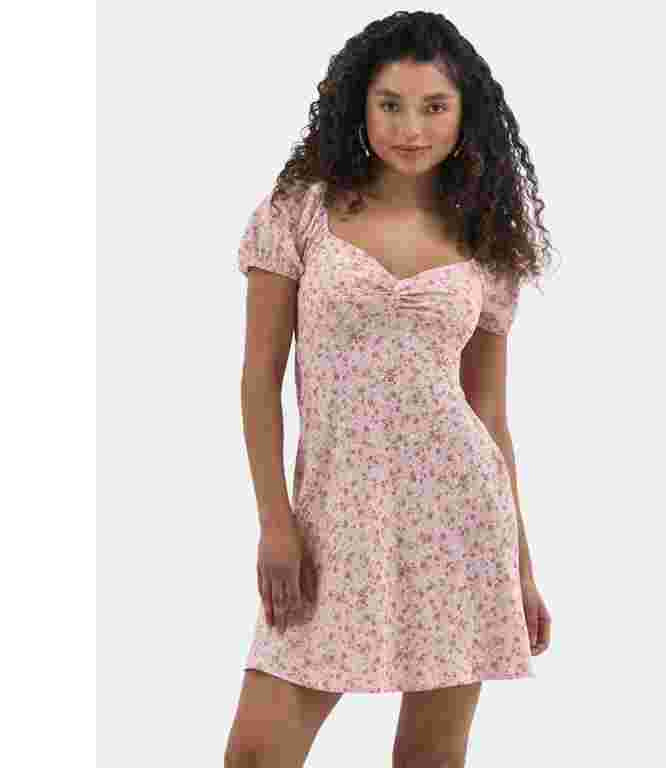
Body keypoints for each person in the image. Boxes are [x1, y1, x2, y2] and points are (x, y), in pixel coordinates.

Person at [225, 11, 555, 768]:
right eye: (391, 104)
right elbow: (258, 380)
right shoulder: (300, 211)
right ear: (359, 106)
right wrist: (275, 524)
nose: (411, 129)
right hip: (335, 516)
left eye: (434, 106)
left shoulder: (486, 239)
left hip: (459, 519)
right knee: (256, 753)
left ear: (465, 113)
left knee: (430, 760)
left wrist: (522, 567)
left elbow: (490, 414)